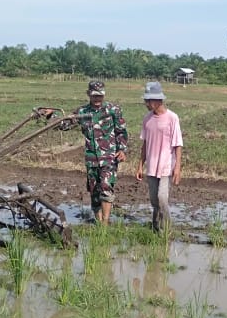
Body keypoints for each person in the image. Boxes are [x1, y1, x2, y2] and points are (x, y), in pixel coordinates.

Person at [76, 79, 128, 225]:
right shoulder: (82, 112)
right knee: (94, 190)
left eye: (100, 95)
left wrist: (122, 149)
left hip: (109, 156)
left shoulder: (113, 110)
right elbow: (65, 123)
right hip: (91, 157)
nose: (97, 98)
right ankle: (98, 222)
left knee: (106, 186)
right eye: (94, 95)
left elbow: (121, 131)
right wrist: (50, 115)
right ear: (88, 94)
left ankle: (105, 223)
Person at [134, 81, 182, 232]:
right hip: (152, 166)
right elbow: (145, 144)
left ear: (158, 100)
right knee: (154, 200)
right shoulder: (147, 119)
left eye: (149, 101)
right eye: (146, 100)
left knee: (162, 198)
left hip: (166, 165)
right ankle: (156, 228)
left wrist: (177, 167)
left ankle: (166, 230)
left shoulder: (172, 118)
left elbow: (178, 144)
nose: (147, 104)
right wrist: (140, 166)